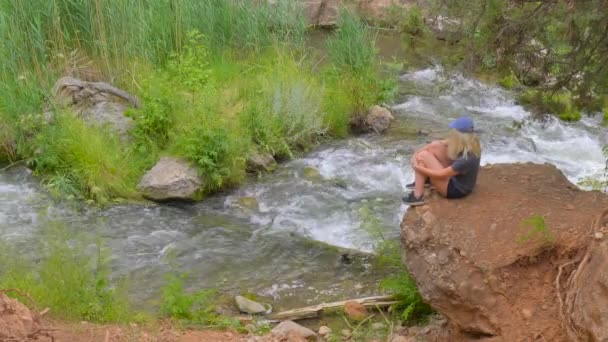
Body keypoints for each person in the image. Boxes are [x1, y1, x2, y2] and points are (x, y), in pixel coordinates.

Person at [402, 116, 481, 206]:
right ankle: (425, 180)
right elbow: (438, 143)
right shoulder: (471, 141)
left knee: (423, 156)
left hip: (455, 189)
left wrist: (419, 168)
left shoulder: (467, 158)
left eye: (453, 131)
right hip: (455, 177)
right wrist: (416, 153)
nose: (451, 133)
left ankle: (417, 196)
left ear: (459, 136)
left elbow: (442, 174)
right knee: (435, 146)